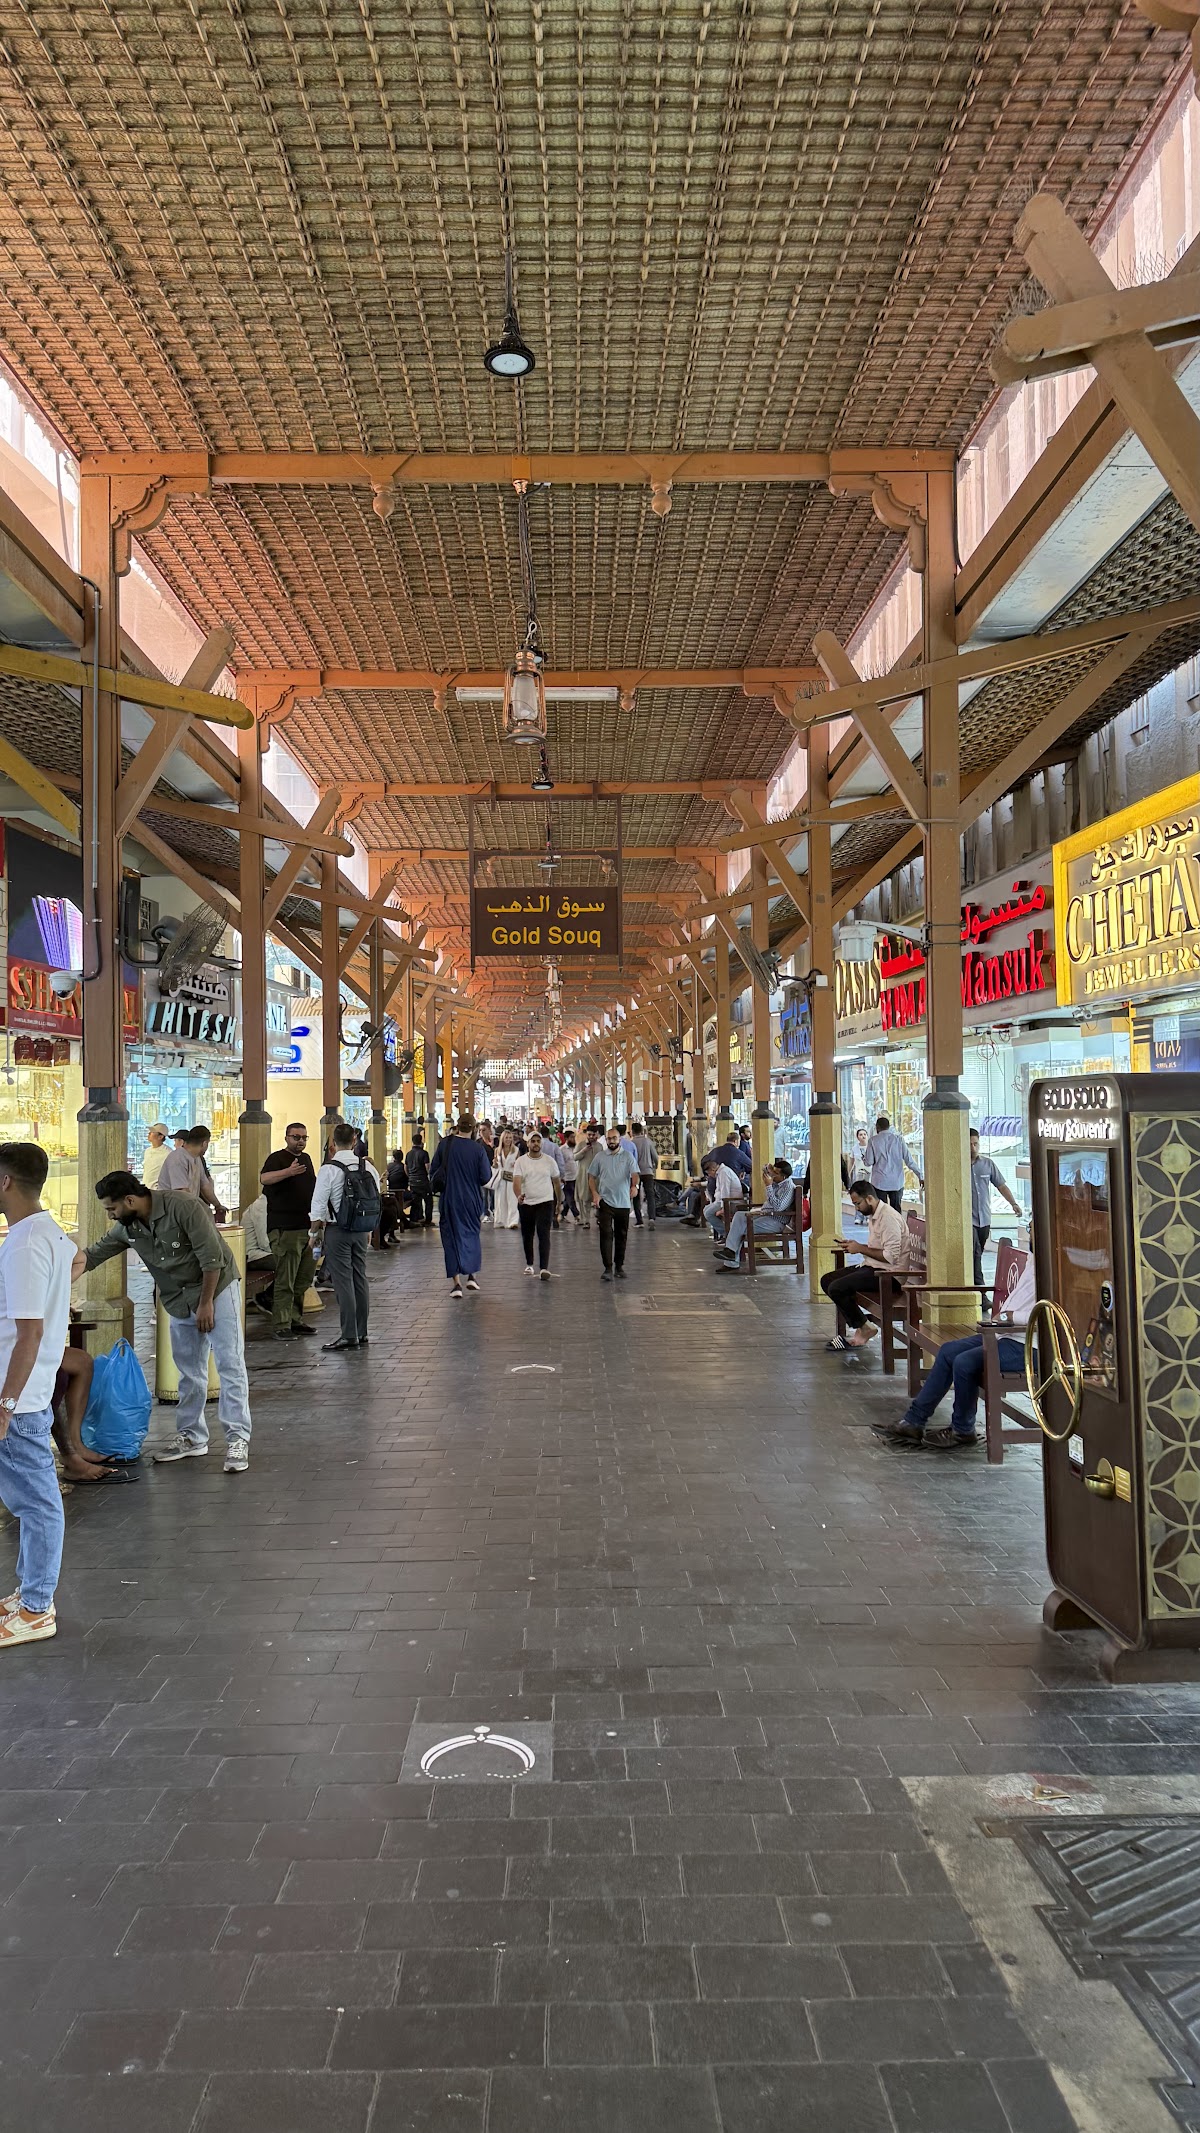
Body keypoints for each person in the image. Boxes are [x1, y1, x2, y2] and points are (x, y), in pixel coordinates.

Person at [80, 1172, 252, 1471]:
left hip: (216, 1290)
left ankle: (238, 1438)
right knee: (189, 1370)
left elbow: (212, 1258)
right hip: (178, 1298)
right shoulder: (129, 1227)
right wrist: (52, 1276)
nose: (110, 1216)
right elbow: (92, 1256)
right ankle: (192, 1437)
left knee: (229, 1364)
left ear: (130, 1200)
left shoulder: (183, 1206)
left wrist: (206, 1304)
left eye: (112, 1209)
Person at [0, 1142, 77, 1645]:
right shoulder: (50, 1232)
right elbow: (78, 1260)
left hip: (20, 1398)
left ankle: (36, 1607)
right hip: (28, 1390)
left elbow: (28, 1333)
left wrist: (5, 1404)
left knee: (37, 1503)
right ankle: (29, 1591)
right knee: (29, 1500)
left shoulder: (26, 1243)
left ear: (6, 1181)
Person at [874, 1250, 1037, 1450]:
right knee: (948, 1351)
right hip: (1005, 1334)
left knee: (964, 1362)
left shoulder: (1054, 1268)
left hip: (1029, 1345)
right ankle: (913, 1422)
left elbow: (1051, 1314)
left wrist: (1008, 1317)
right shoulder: (1034, 1258)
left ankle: (963, 1430)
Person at [820, 1180, 914, 1351]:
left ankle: (863, 1328)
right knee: (827, 1280)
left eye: (858, 1203)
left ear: (869, 1198)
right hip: (874, 1267)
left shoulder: (888, 1218)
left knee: (837, 1288)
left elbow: (890, 1257)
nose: (856, 1208)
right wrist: (855, 1246)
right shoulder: (875, 1215)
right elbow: (878, 1248)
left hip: (889, 1276)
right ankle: (863, 1325)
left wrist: (860, 1248)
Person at [310, 1123, 380, 1351]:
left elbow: (318, 1206)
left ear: (333, 1143)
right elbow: (375, 1197)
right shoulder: (368, 1167)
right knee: (360, 1277)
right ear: (354, 1141)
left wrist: (314, 1233)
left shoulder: (329, 1169)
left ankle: (349, 1334)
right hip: (360, 1230)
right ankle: (362, 1331)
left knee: (343, 1281)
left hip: (337, 1230)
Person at [259, 1123, 317, 1342]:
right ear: (286, 1138)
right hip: (285, 1228)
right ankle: (281, 1324)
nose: (300, 1141)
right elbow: (264, 1178)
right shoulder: (277, 1158)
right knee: (286, 1279)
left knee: (304, 1277)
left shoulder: (307, 1159)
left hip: (307, 1227)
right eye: (296, 1137)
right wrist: (288, 1172)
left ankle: (295, 1319)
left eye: (304, 1137)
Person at [430, 1113, 492, 1299]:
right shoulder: (478, 1149)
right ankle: (472, 1276)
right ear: (474, 1129)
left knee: (450, 1238)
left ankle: (456, 1284)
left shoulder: (445, 1145)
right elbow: (485, 1177)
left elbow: (433, 1171)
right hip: (471, 1200)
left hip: (449, 1199)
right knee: (471, 1235)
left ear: (457, 1127)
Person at [714, 1158, 795, 1271]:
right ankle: (730, 1253)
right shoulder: (778, 1183)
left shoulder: (788, 1187)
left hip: (776, 1221)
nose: (772, 1175)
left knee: (740, 1227)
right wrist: (767, 1170)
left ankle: (730, 1260)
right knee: (739, 1216)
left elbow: (778, 1207)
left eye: (776, 1173)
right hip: (766, 1215)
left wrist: (768, 1186)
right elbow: (767, 1173)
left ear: (784, 1176)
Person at [970, 1128, 1023, 1288]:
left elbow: (1001, 1185)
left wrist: (1013, 1204)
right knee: (975, 1253)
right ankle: (980, 1291)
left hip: (984, 1218)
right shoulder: (957, 1166)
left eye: (975, 1144)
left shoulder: (987, 1164)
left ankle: (972, 1286)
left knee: (977, 1254)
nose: (973, 1148)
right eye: (969, 1144)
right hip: (968, 1219)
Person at [589, 1126, 639, 1282]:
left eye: (614, 1138)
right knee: (606, 1234)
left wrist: (634, 1186)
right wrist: (595, 1193)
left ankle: (619, 1266)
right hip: (605, 1201)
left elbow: (635, 1174)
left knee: (621, 1235)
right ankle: (608, 1268)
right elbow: (591, 1177)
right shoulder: (600, 1157)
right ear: (606, 1140)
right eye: (609, 1138)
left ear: (619, 1139)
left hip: (623, 1202)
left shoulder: (627, 1156)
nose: (611, 1141)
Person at [513, 1129, 562, 1279]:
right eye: (532, 1141)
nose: (535, 1144)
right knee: (527, 1235)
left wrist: (559, 1202)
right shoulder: (521, 1161)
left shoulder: (549, 1161)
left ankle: (543, 1268)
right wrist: (518, 1195)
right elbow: (516, 1181)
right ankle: (529, 1264)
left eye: (538, 1141)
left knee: (544, 1234)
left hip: (545, 1202)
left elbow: (556, 1182)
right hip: (526, 1203)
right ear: (527, 1143)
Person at [159, 1125, 228, 1222]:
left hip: (188, 1209)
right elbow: (182, 1192)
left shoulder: (196, 1158)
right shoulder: (178, 1158)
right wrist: (201, 1209)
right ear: (204, 1143)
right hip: (173, 1214)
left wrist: (217, 1205)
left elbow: (205, 1186)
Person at [862, 1114, 923, 1211]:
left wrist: (864, 1159)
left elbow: (869, 1162)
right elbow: (909, 1160)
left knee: (881, 1211)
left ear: (877, 1127)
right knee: (896, 1211)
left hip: (879, 1182)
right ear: (889, 1127)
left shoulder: (873, 1141)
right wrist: (920, 1175)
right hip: (896, 1182)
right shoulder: (899, 1139)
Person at [240, 1192, 276, 1317]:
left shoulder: (271, 1204)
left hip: (262, 1254)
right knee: (288, 1263)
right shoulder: (262, 1205)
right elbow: (264, 1242)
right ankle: (267, 1297)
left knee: (293, 1262)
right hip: (252, 1256)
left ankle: (269, 1297)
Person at [703, 1150, 748, 1241]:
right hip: (724, 1201)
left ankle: (727, 1234)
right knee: (706, 1210)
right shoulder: (721, 1172)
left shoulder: (724, 1173)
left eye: (709, 1173)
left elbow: (725, 1192)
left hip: (732, 1203)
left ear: (712, 1169)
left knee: (708, 1213)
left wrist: (724, 1208)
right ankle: (726, 1233)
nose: (709, 1175)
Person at [573, 1123, 601, 1231]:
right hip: (583, 1175)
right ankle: (586, 1220)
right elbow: (575, 1157)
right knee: (585, 1198)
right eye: (589, 1135)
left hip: (597, 1176)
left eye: (593, 1135)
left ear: (596, 1135)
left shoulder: (599, 1146)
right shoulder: (581, 1145)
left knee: (598, 1197)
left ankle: (599, 1216)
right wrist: (584, 1150)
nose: (591, 1137)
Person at [630, 1121, 658, 1227]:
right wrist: (655, 1167)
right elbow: (655, 1156)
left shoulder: (631, 1143)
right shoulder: (648, 1141)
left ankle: (639, 1221)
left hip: (636, 1173)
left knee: (636, 1196)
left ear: (632, 1132)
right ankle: (651, 1218)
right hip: (648, 1172)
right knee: (650, 1195)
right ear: (642, 1131)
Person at [491, 1130, 520, 1229]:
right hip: (501, 1178)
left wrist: (516, 1165)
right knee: (500, 1200)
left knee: (512, 1200)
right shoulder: (497, 1150)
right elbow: (495, 1165)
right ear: (502, 1139)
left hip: (512, 1177)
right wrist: (494, 1164)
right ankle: (501, 1221)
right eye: (506, 1138)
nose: (508, 1140)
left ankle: (513, 1221)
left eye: (510, 1138)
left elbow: (519, 1164)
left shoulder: (516, 1150)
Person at [405, 1133, 434, 1228]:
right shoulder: (424, 1153)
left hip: (413, 1182)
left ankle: (415, 1219)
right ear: (421, 1142)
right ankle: (428, 1220)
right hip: (422, 1181)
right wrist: (428, 1176)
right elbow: (427, 1167)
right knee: (428, 1201)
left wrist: (410, 1176)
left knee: (416, 1201)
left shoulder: (408, 1154)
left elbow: (405, 1167)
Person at [557, 1129, 581, 1224]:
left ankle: (562, 1214)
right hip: (566, 1177)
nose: (573, 1139)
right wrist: (561, 1177)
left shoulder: (576, 1148)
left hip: (576, 1176)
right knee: (570, 1197)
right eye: (571, 1137)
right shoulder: (561, 1150)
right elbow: (560, 1164)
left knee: (569, 1197)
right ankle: (577, 1215)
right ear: (566, 1138)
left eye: (574, 1137)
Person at [141, 1122, 170, 1188]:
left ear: (160, 1137)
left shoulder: (168, 1153)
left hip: (159, 1190)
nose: (149, 1134)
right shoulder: (147, 1151)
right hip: (146, 1188)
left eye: (152, 1132)